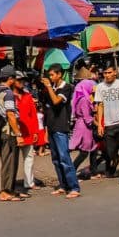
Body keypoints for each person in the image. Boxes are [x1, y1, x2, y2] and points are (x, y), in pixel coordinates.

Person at [41, 65, 80, 198]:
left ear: (60, 74)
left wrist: (49, 88)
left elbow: (56, 101)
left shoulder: (66, 87)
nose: (50, 78)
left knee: (64, 157)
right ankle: (63, 185)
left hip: (61, 127)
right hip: (51, 127)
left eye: (52, 75)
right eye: (49, 75)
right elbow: (47, 109)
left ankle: (74, 187)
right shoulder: (51, 88)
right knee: (56, 159)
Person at [0, 65, 25, 201]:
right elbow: (10, 115)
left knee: (6, 161)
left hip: (0, 130)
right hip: (8, 131)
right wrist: (18, 134)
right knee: (10, 162)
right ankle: (6, 191)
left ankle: (9, 189)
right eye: (14, 77)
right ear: (10, 79)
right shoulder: (8, 93)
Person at [70, 79, 100, 178]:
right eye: (92, 87)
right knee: (84, 151)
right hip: (84, 127)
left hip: (86, 126)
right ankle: (72, 170)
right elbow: (87, 118)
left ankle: (94, 171)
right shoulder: (84, 100)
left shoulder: (87, 98)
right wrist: (99, 124)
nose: (94, 89)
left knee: (94, 149)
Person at [15, 73, 40, 191]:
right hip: (14, 132)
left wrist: (35, 132)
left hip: (28, 131)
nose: (21, 82)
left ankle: (29, 182)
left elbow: (33, 115)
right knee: (12, 160)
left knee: (29, 157)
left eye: (23, 80)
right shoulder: (9, 96)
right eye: (19, 80)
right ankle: (10, 183)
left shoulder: (28, 96)